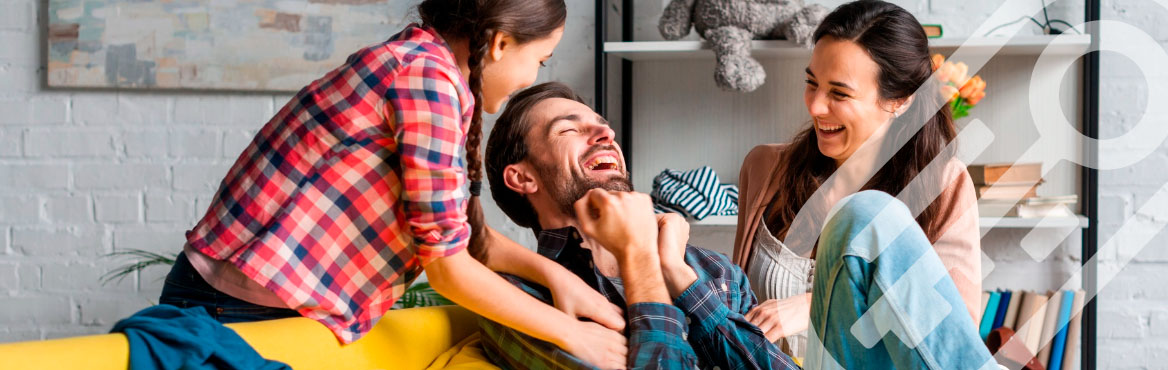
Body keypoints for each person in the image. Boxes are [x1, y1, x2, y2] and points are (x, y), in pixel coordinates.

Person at [157, 1, 628, 367]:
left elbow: (461, 239)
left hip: (251, 301)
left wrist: (558, 278)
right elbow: (447, 269)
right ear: (501, 44)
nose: (531, 78)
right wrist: (573, 335)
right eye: (540, 61)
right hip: (233, 306)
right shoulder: (426, 80)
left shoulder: (426, 68)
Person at [477, 82, 800, 369]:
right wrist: (641, 260)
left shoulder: (715, 272)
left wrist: (681, 278)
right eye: (568, 130)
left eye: (603, 126)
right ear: (522, 177)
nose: (607, 135)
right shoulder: (515, 301)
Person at [732, 0, 985, 363]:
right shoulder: (765, 169)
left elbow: (950, 343)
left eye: (839, 93)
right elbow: (737, 309)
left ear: (899, 100)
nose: (816, 106)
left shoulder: (943, 185)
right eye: (811, 83)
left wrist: (816, 306)